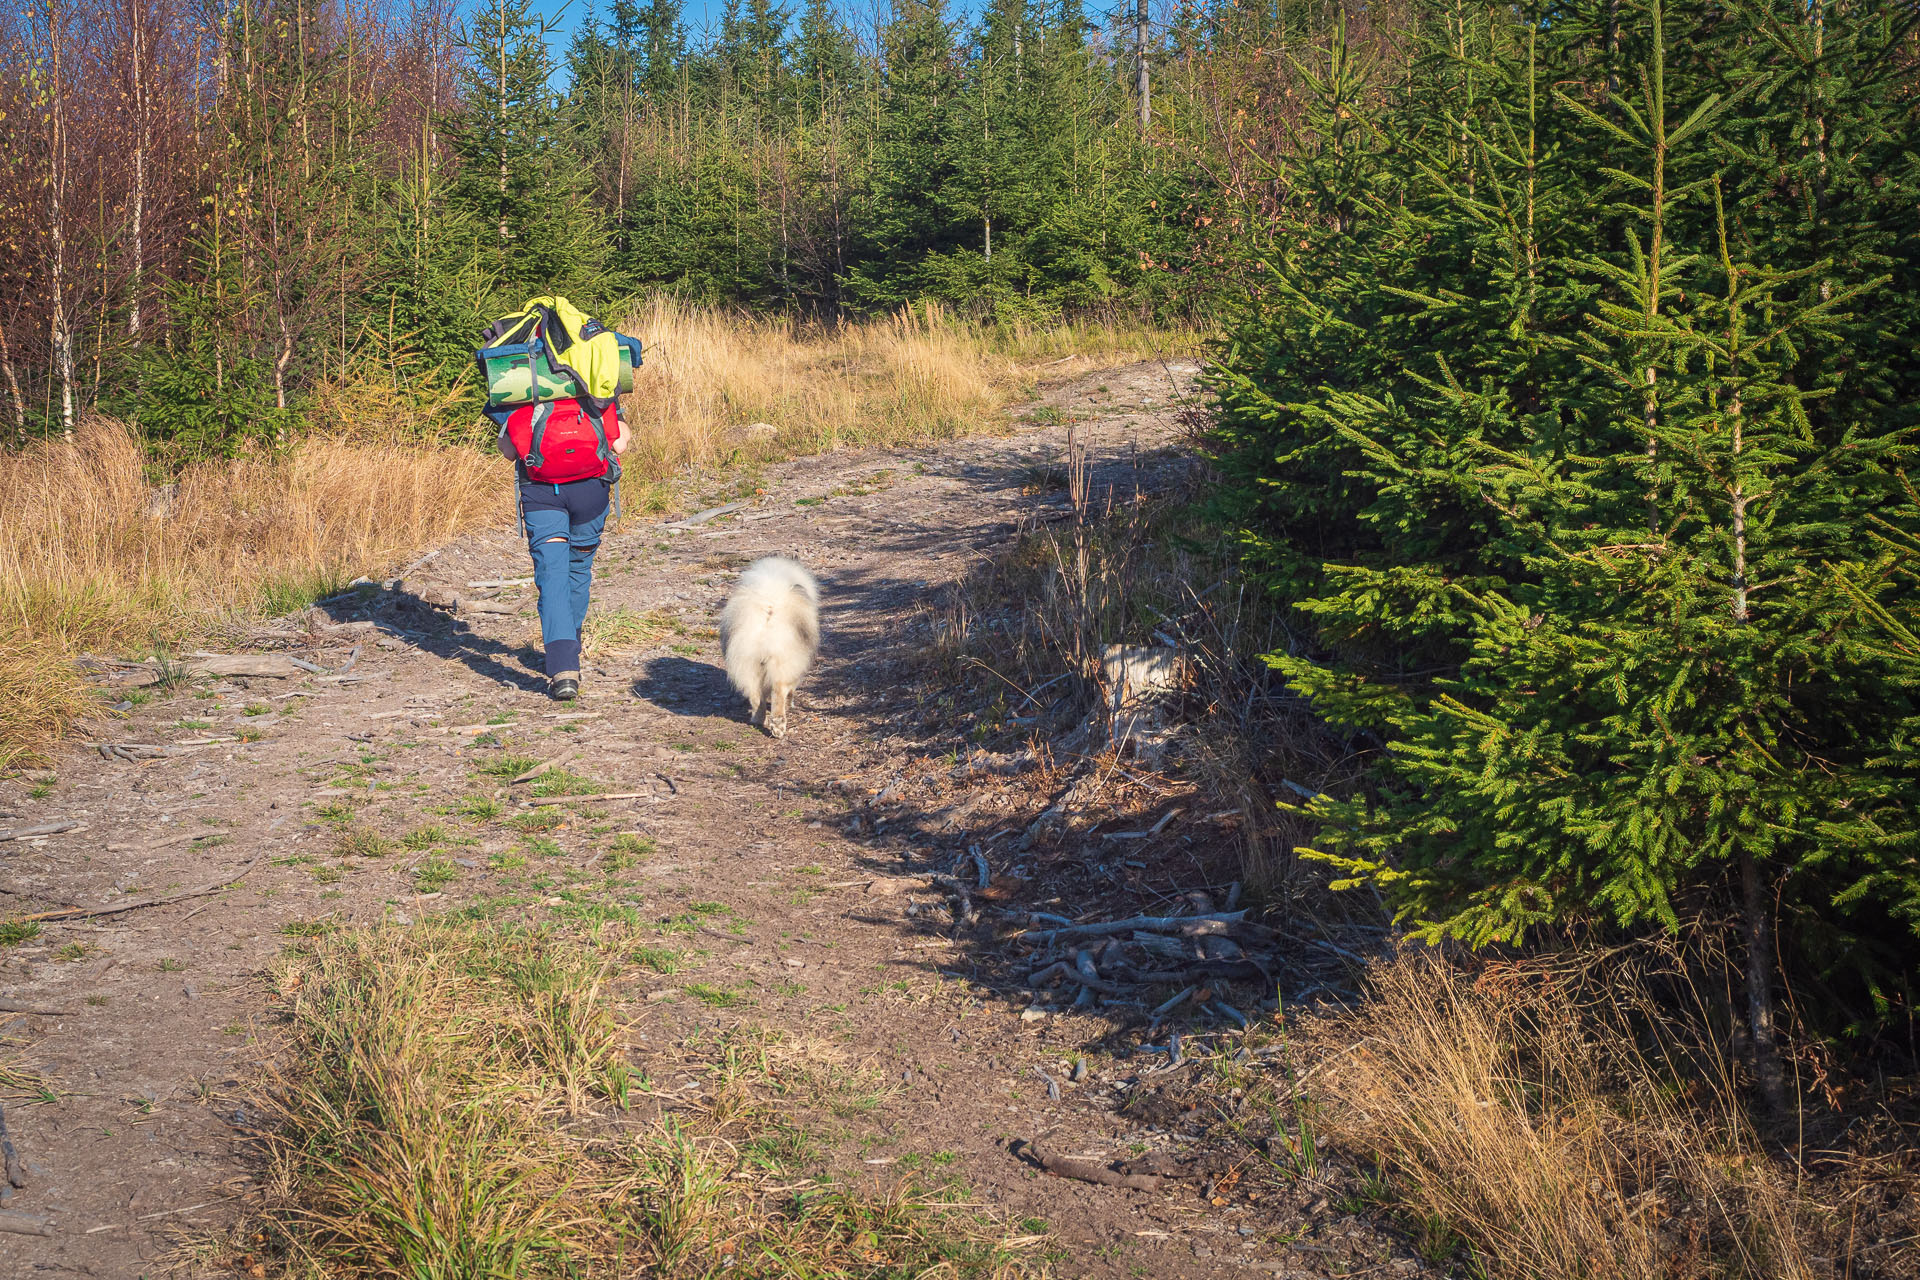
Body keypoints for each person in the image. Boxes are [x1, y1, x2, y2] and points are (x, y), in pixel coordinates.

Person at [496, 400, 627, 700]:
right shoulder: (596, 384)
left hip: (542, 494)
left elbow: (509, 451)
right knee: (578, 568)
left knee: (552, 575)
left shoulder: (523, 385)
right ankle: (571, 642)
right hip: (591, 493)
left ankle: (564, 668)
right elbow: (619, 443)